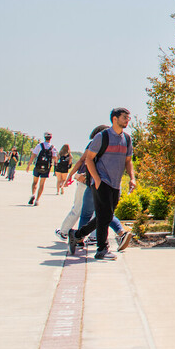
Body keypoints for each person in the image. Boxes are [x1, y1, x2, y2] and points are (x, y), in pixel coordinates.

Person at [68, 108, 136, 260]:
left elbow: (128, 161)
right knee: (105, 215)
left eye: (128, 118)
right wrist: (97, 179)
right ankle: (102, 250)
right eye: (124, 117)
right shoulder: (102, 137)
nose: (127, 120)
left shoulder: (127, 139)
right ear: (114, 119)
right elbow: (88, 159)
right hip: (101, 181)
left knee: (105, 215)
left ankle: (77, 234)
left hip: (115, 183)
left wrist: (132, 178)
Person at [58, 126, 128, 249]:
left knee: (93, 213)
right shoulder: (106, 143)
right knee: (103, 213)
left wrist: (72, 175)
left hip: (96, 182)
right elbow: (85, 160)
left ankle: (79, 238)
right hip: (99, 182)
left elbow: (82, 160)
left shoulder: (97, 143)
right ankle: (116, 235)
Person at [29, 133, 55, 205]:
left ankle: (33, 194)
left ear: (44, 137)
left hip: (38, 166)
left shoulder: (39, 146)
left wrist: (29, 164)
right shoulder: (52, 147)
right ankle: (37, 200)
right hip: (46, 168)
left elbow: (33, 155)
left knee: (35, 182)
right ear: (51, 138)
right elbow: (55, 157)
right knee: (42, 183)